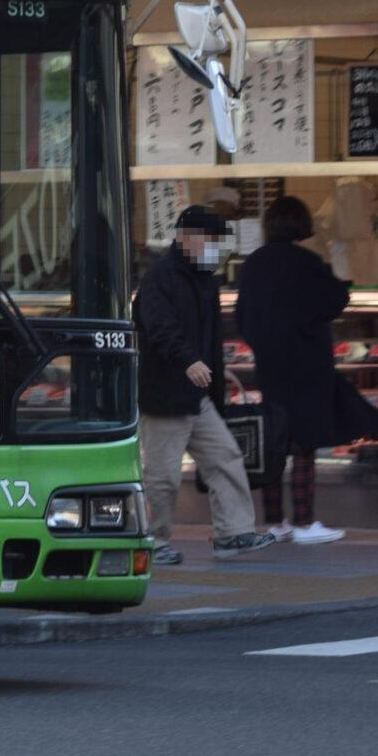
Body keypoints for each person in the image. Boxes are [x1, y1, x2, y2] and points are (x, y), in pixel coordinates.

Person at [135, 206, 276, 563]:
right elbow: (160, 327)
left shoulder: (205, 280)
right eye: (212, 240)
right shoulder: (160, 278)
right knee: (163, 476)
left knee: (225, 457)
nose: (217, 249)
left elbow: (209, 337)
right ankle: (154, 542)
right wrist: (189, 361)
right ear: (188, 238)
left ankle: (234, 533)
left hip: (197, 395)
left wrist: (213, 370)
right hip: (165, 395)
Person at [235, 195, 361, 544]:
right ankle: (305, 523)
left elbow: (243, 317)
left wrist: (263, 346)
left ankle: (276, 523)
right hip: (307, 366)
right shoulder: (306, 261)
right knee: (305, 442)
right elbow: (335, 300)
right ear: (301, 225)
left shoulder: (254, 264)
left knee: (274, 444)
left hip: (270, 367)